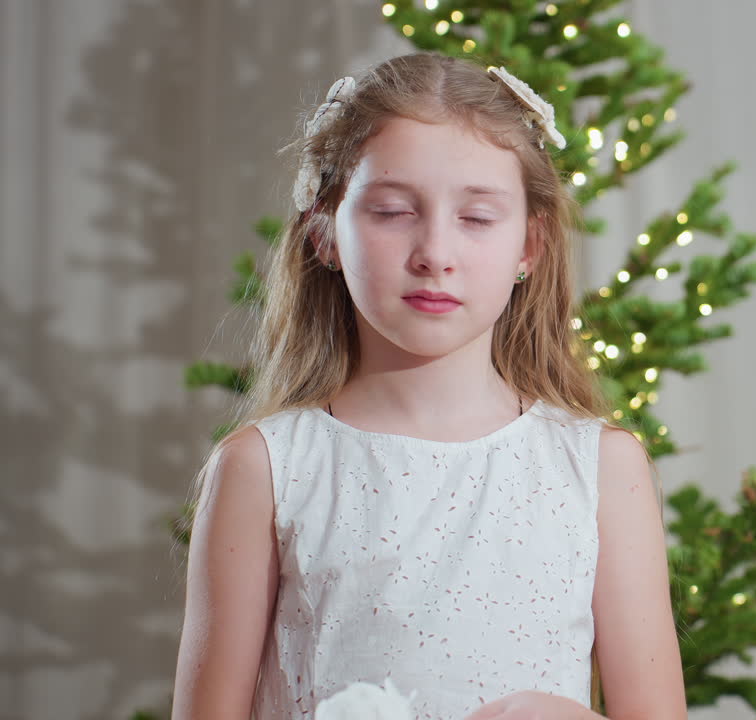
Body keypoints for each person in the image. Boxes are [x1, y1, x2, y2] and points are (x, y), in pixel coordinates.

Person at [171, 51, 686, 720]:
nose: (435, 253)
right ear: (323, 231)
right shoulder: (266, 469)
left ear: (528, 246)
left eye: (476, 218)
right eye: (391, 211)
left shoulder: (600, 468)